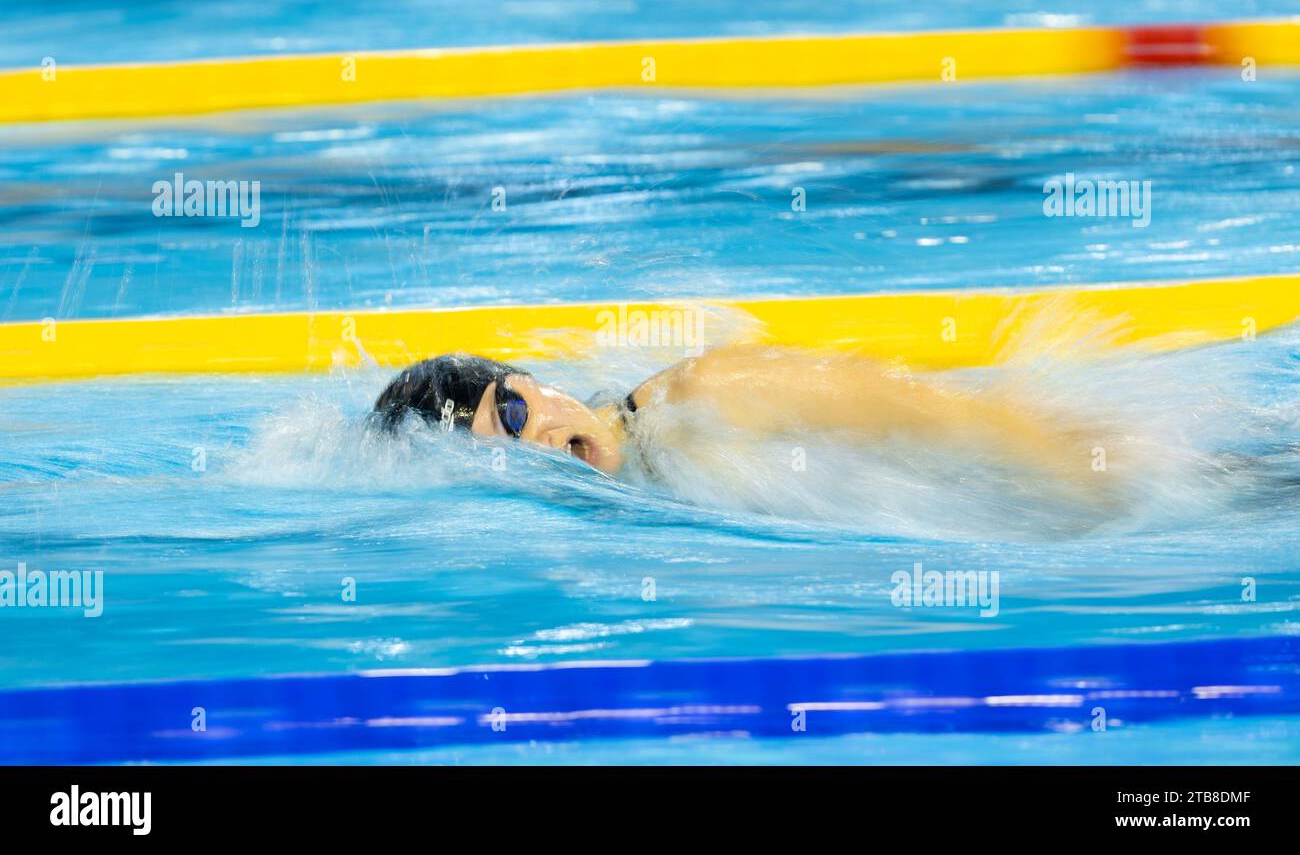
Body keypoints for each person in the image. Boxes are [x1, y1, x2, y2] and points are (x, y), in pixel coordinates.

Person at [372, 346, 1105, 491]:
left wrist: (1084, 469)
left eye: (514, 410)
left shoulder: (701, 396)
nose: (535, 444)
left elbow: (941, 412)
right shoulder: (641, 489)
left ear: (537, 382)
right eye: (505, 456)